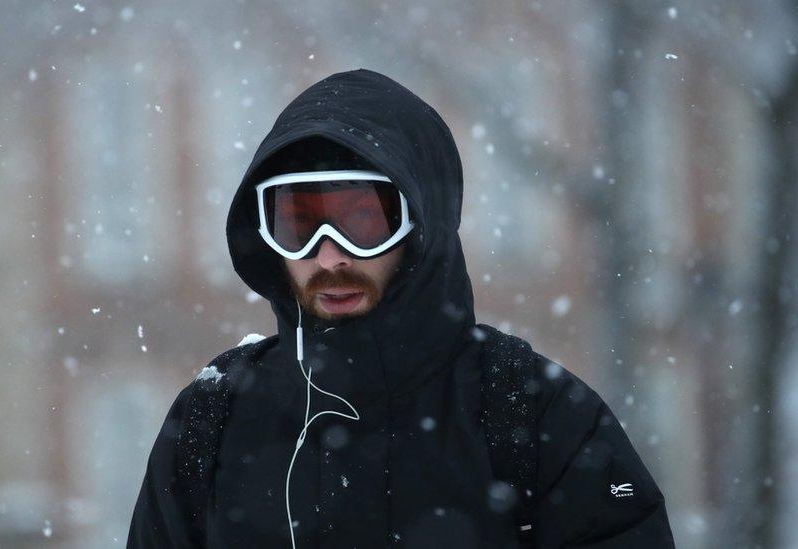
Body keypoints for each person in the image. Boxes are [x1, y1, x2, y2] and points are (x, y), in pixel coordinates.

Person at [127, 68, 675, 548]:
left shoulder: (534, 415)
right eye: (297, 223)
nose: (329, 255)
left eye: (363, 222)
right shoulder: (212, 419)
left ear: (421, 225)